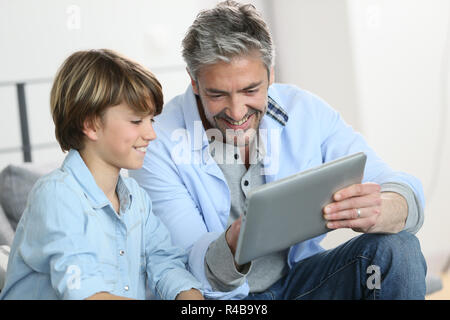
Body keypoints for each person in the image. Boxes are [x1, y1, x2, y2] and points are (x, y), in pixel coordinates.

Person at [129, 1, 427, 300]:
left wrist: (386, 208)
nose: (236, 112)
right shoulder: (159, 144)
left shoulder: (305, 111)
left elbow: (400, 187)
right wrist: (233, 246)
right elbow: (188, 269)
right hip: (224, 300)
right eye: (217, 94)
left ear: (270, 74)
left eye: (250, 90)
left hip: (302, 282)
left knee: (397, 248)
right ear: (194, 82)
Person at [0, 49, 204, 300]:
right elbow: (87, 293)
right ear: (91, 125)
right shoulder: (56, 196)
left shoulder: (137, 200)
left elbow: (167, 265)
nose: (151, 134)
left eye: (151, 120)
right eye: (137, 121)